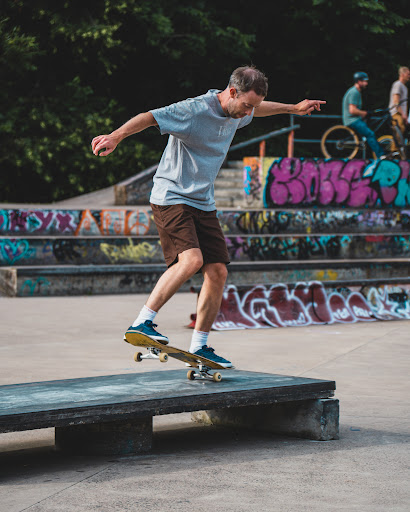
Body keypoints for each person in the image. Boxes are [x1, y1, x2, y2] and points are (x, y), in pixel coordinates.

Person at [91, 65, 326, 367]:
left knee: (218, 272)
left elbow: (261, 108)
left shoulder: (240, 109)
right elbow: (150, 117)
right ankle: (142, 322)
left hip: (203, 202)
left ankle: (200, 346)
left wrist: (294, 108)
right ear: (231, 92)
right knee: (192, 261)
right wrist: (116, 136)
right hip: (171, 196)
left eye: (252, 107)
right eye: (245, 105)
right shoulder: (193, 110)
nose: (248, 113)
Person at [342, 71, 385, 159]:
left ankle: (370, 148)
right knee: (370, 134)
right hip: (352, 120)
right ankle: (381, 156)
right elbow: (352, 110)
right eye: (364, 81)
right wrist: (364, 113)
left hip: (355, 118)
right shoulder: (354, 92)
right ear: (358, 81)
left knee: (368, 130)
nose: (366, 83)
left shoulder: (356, 91)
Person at [388, 66, 410, 135]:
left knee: (403, 133)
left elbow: (404, 105)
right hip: (395, 113)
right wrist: (403, 115)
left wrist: (405, 117)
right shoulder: (398, 85)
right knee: (400, 130)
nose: (409, 76)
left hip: (401, 114)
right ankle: (396, 146)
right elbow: (396, 102)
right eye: (408, 74)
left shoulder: (405, 88)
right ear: (402, 74)